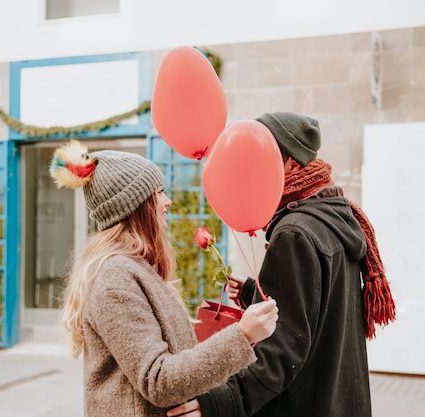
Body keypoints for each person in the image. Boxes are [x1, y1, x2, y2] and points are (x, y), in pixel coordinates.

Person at [187, 112, 396, 417]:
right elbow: (317, 308)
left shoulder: (294, 232)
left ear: (291, 163)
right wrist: (253, 291)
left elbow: (282, 350)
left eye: (263, 155)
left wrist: (218, 402)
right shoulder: (337, 216)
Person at [49, 140, 279, 417]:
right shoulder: (115, 279)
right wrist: (243, 335)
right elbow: (158, 381)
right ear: (136, 206)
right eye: (158, 193)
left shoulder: (135, 268)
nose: (167, 201)